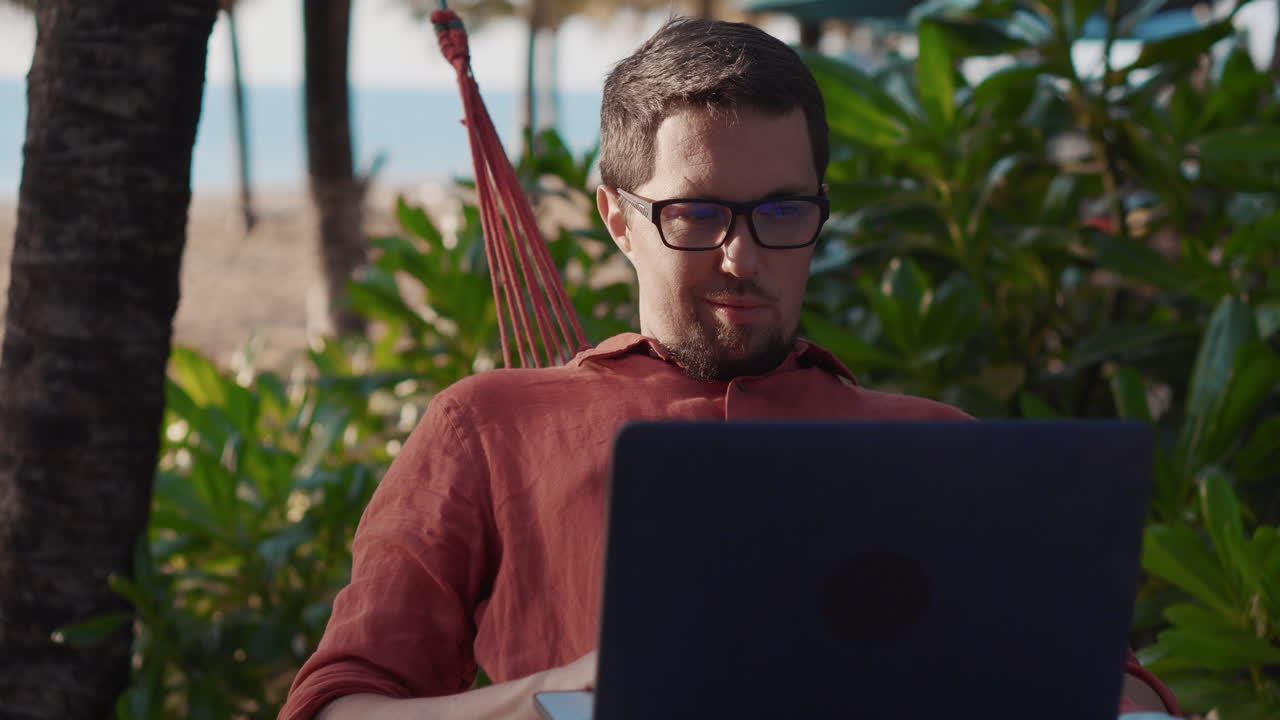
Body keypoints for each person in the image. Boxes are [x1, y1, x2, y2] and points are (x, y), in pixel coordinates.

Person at [280, 18, 1180, 720]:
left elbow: (1114, 690)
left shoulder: (939, 446)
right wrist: (552, 698)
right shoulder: (493, 427)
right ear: (618, 218)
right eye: (699, 214)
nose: (744, 259)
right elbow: (335, 708)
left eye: (783, 212)